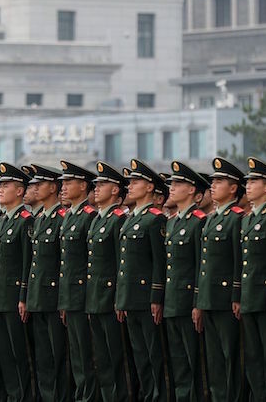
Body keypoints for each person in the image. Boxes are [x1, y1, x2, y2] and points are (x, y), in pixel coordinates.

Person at [116, 159, 168, 402]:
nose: (130, 186)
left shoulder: (155, 219)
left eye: (135, 182)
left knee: (154, 353)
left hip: (147, 299)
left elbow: (159, 262)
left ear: (149, 187)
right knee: (139, 355)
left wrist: (156, 297)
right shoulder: (130, 219)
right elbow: (124, 264)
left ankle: (158, 395)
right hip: (130, 298)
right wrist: (121, 298)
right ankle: (147, 394)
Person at [195, 157, 245, 402]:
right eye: (212, 182)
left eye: (219, 181)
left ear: (233, 188)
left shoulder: (236, 218)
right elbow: (204, 265)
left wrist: (236, 295)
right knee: (214, 360)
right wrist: (199, 300)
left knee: (231, 358)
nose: (213, 186)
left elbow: (238, 260)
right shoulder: (212, 219)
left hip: (226, 300)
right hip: (209, 298)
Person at [164, 161, 210, 402]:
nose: (172, 187)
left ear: (192, 190)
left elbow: (201, 265)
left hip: (188, 300)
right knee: (179, 361)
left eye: (178, 183)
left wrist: (197, 302)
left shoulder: (199, 221)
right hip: (172, 300)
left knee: (195, 361)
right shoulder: (172, 222)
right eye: (172, 183)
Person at [86, 162, 131, 402]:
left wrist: (118, 299)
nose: (96, 188)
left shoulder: (117, 219)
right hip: (94, 297)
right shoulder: (97, 220)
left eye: (102, 184)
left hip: (111, 298)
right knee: (101, 358)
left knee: (116, 356)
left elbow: (120, 264)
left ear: (115, 190)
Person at [0, 162, 34, 402]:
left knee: (20, 355)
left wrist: (23, 297)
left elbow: (27, 263)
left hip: (15, 298)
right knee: (5, 355)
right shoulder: (4, 220)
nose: (0, 189)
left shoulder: (25, 220)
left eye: (6, 185)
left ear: (19, 191)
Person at [238, 157, 266, 402]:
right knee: (253, 356)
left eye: (254, 181)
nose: (248, 185)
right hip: (249, 297)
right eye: (248, 181)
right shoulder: (247, 219)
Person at [23, 163, 67, 402]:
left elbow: (64, 263)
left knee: (59, 355)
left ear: (53, 188)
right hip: (38, 297)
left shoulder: (61, 218)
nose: (35, 188)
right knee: (43, 357)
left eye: (40, 184)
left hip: (54, 298)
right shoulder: (39, 219)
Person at [58, 161, 98, 402]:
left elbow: (90, 263)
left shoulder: (88, 216)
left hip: (84, 296)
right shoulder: (69, 217)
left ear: (83, 186)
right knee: (76, 355)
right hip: (70, 296)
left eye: (68, 182)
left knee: (86, 353)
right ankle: (81, 395)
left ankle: (88, 397)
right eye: (62, 183)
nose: (63, 187)